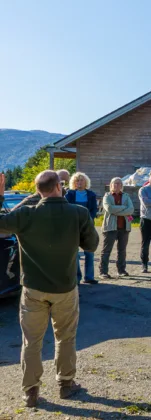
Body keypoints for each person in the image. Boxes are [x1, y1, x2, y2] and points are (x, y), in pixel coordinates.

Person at [0, 170, 99, 407]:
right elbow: (92, 245)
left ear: (38, 190)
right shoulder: (79, 213)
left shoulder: (25, 214)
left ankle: (30, 391)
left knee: (31, 341)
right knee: (65, 337)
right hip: (65, 288)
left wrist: (1, 194)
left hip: (33, 289)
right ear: (58, 187)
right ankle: (66, 383)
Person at [65, 172, 99, 284]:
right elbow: (67, 209)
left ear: (86, 182)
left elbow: (94, 210)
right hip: (73, 227)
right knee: (75, 253)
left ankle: (89, 277)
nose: (79, 183)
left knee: (89, 251)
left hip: (88, 226)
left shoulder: (91, 195)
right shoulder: (69, 194)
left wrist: (87, 221)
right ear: (74, 183)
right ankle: (77, 278)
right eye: (77, 180)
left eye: (82, 180)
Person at [99, 177, 134, 279]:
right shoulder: (107, 196)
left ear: (121, 186)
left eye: (119, 183)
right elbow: (109, 209)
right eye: (114, 183)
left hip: (124, 227)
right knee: (106, 250)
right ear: (111, 185)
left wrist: (117, 210)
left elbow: (131, 210)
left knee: (122, 250)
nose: (116, 185)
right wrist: (124, 207)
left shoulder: (126, 196)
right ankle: (103, 272)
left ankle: (121, 270)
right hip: (110, 227)